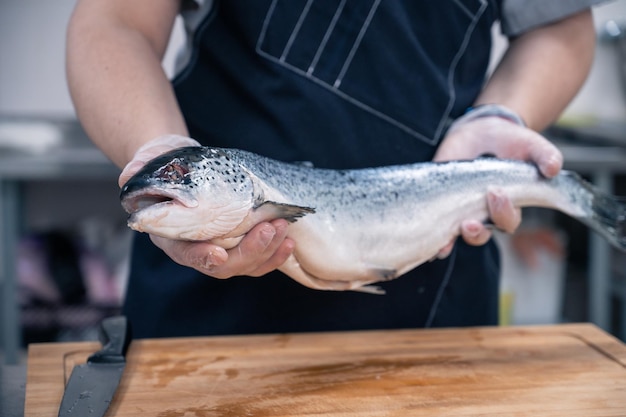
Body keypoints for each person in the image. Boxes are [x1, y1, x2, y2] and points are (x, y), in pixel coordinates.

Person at [66, 1, 601, 338]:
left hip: (431, 286)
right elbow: (114, 21)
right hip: (202, 309)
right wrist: (160, 149)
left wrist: (499, 113)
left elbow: (563, 25)